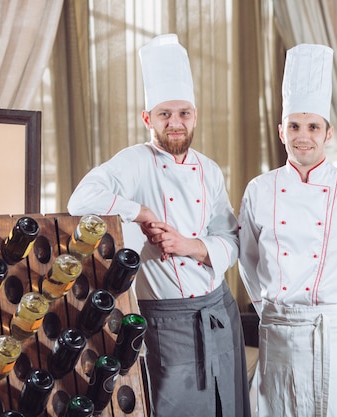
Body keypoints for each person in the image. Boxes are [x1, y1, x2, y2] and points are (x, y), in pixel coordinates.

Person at [67, 33, 250, 417]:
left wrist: (190, 246)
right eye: (165, 114)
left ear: (195, 115)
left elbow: (230, 240)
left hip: (218, 312)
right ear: (147, 118)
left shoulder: (210, 170)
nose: (176, 123)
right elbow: (80, 201)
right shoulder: (135, 160)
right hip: (165, 320)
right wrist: (142, 213)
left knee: (227, 406)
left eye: (184, 113)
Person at [237, 43, 337, 417]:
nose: (302, 135)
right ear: (281, 131)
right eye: (294, 126)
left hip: (332, 330)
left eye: (312, 127)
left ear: (329, 133)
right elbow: (247, 256)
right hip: (276, 330)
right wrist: (265, 308)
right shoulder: (259, 189)